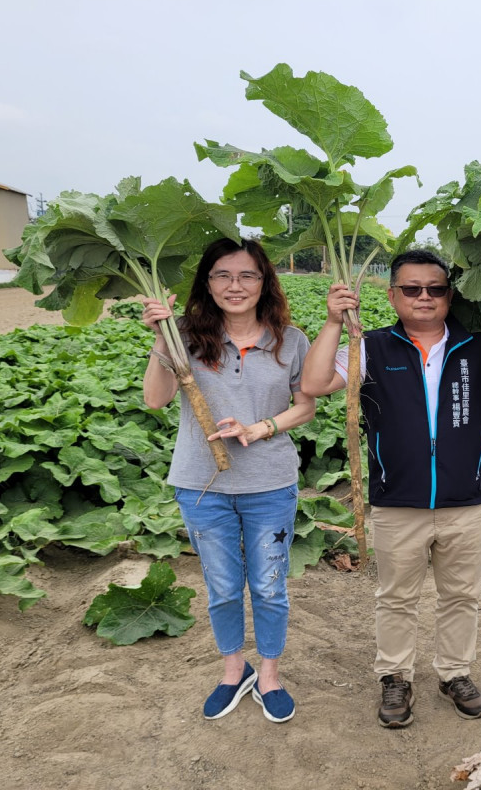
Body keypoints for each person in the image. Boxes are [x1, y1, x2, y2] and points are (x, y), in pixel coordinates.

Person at [299, 249, 481, 728]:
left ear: (450, 294)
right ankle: (395, 677)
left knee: (461, 594)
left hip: (466, 500)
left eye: (436, 289)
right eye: (412, 289)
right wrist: (334, 321)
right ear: (393, 293)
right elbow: (315, 382)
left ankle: (454, 672)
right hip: (397, 500)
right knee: (396, 596)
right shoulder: (369, 348)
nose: (424, 297)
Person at [141, 237, 315, 724]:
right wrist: (160, 334)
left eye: (247, 276)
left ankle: (270, 676)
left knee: (270, 583)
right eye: (222, 275)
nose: (234, 286)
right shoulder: (183, 336)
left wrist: (261, 428)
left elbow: (305, 406)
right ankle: (233, 670)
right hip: (201, 484)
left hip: (270, 482)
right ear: (207, 282)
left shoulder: (290, 339)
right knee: (221, 585)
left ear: (264, 283)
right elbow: (155, 399)